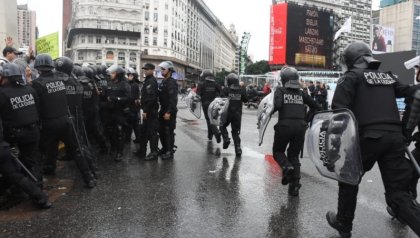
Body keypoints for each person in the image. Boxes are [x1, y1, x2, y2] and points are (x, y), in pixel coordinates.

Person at [327, 41, 420, 237]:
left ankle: (344, 223)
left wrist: (334, 151)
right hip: (394, 139)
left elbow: (339, 115)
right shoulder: (387, 77)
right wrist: (405, 131)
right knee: (399, 195)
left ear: (351, 60)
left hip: (367, 139)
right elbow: (415, 93)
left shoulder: (350, 78)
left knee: (349, 178)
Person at [31, 54, 96, 188]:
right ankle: (89, 177)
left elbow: (37, 106)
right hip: (65, 120)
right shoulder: (61, 80)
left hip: (49, 122)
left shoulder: (36, 84)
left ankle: (49, 169)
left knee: (51, 148)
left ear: (37, 68)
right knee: (76, 149)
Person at [272, 66, 320, 196]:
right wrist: (306, 119)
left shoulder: (280, 90)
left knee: (278, 152)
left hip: (284, 126)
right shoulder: (301, 93)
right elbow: (316, 107)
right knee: (294, 156)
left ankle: (286, 167)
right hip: (300, 127)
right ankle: (295, 186)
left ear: (283, 79)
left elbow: (277, 105)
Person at [0, 63, 43, 186]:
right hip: (33, 131)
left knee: (15, 163)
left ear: (5, 77)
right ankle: (38, 187)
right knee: (33, 161)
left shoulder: (2, 93)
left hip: (14, 135)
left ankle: (24, 189)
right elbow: (38, 109)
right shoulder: (29, 89)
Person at [101, 65, 131, 161]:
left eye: (113, 73)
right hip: (109, 111)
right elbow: (105, 96)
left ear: (118, 74)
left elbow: (128, 98)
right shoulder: (109, 83)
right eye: (111, 73)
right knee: (109, 131)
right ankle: (113, 147)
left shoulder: (124, 84)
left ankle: (119, 152)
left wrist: (117, 99)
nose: (111, 74)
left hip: (119, 112)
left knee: (119, 131)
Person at [220, 73, 248, 156]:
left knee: (222, 126)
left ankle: (226, 139)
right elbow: (246, 100)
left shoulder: (226, 89)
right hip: (237, 114)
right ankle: (238, 148)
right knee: (235, 132)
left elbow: (221, 99)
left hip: (227, 113)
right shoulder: (241, 90)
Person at [137, 63, 160, 160]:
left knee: (152, 132)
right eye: (144, 69)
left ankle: (154, 152)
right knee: (144, 131)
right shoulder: (147, 80)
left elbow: (151, 98)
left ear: (152, 70)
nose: (145, 71)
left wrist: (146, 110)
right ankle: (142, 151)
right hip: (147, 110)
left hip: (151, 111)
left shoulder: (151, 81)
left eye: (147, 69)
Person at [158, 61, 178, 160]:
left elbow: (173, 100)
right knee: (161, 130)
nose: (161, 71)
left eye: (163, 69)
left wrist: (168, 112)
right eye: (161, 69)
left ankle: (170, 151)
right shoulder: (163, 81)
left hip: (169, 110)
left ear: (169, 70)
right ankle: (165, 148)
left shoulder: (172, 82)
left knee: (168, 131)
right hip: (162, 109)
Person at [196, 69, 222, 142]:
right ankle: (210, 135)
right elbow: (221, 93)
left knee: (209, 119)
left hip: (206, 104)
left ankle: (216, 132)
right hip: (215, 104)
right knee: (212, 118)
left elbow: (197, 95)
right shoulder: (216, 84)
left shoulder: (201, 84)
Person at [126, 67, 141, 143]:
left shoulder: (134, 85)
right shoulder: (131, 84)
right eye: (128, 75)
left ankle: (128, 138)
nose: (129, 77)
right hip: (133, 107)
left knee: (131, 124)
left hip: (133, 108)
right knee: (134, 124)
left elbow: (132, 97)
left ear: (134, 76)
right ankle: (137, 138)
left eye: (131, 76)